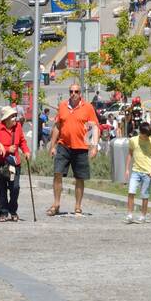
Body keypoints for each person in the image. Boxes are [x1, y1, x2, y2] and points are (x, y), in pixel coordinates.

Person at [47, 83, 99, 216]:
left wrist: (94, 147)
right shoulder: (63, 106)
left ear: (80, 93)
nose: (73, 94)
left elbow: (94, 127)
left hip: (81, 147)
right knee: (57, 173)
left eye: (76, 91)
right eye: (71, 91)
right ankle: (56, 204)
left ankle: (77, 206)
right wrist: (52, 146)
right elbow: (58, 126)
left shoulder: (88, 107)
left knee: (79, 177)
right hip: (63, 145)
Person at [0, 106, 30, 221]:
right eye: (12, 116)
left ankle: (13, 210)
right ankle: (3, 212)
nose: (15, 118)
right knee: (1, 189)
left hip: (14, 163)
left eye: (15, 116)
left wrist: (26, 151)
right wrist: (7, 149)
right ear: (6, 118)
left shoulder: (18, 127)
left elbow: (22, 141)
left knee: (15, 188)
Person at [125, 120, 151, 223]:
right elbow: (130, 154)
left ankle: (143, 215)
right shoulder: (133, 140)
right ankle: (129, 214)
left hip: (147, 171)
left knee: (145, 195)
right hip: (135, 170)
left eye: (148, 136)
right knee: (131, 192)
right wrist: (127, 169)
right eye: (145, 135)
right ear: (140, 132)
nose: (146, 137)